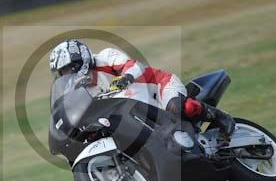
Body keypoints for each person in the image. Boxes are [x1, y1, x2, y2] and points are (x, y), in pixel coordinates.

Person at [49, 39, 235, 140]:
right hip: (133, 110)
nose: (66, 74)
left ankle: (219, 116)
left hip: (159, 87)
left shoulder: (105, 57)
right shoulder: (82, 89)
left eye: (67, 68)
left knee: (177, 109)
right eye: (62, 72)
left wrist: (125, 78)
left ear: (79, 60)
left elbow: (136, 66)